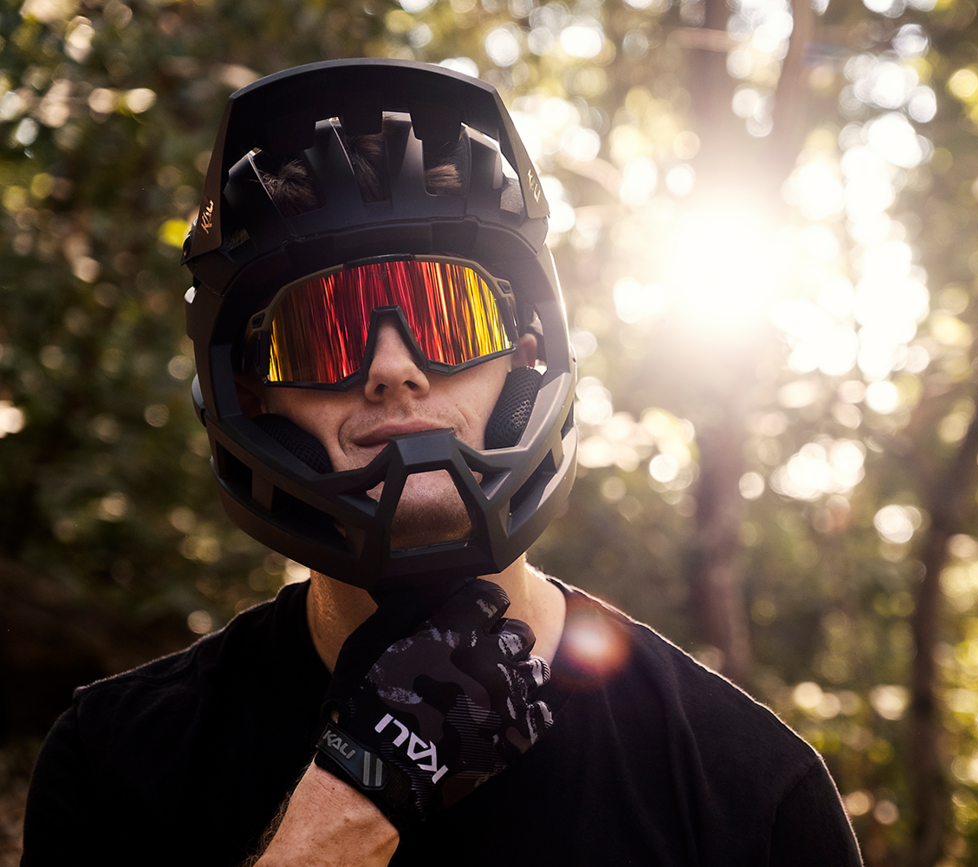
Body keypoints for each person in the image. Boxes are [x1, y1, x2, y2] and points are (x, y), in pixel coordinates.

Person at [21, 59, 862, 866]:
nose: (394, 369)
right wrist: (346, 813)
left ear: (526, 356)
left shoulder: (752, 795)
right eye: (325, 332)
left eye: (446, 316)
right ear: (254, 393)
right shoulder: (112, 764)